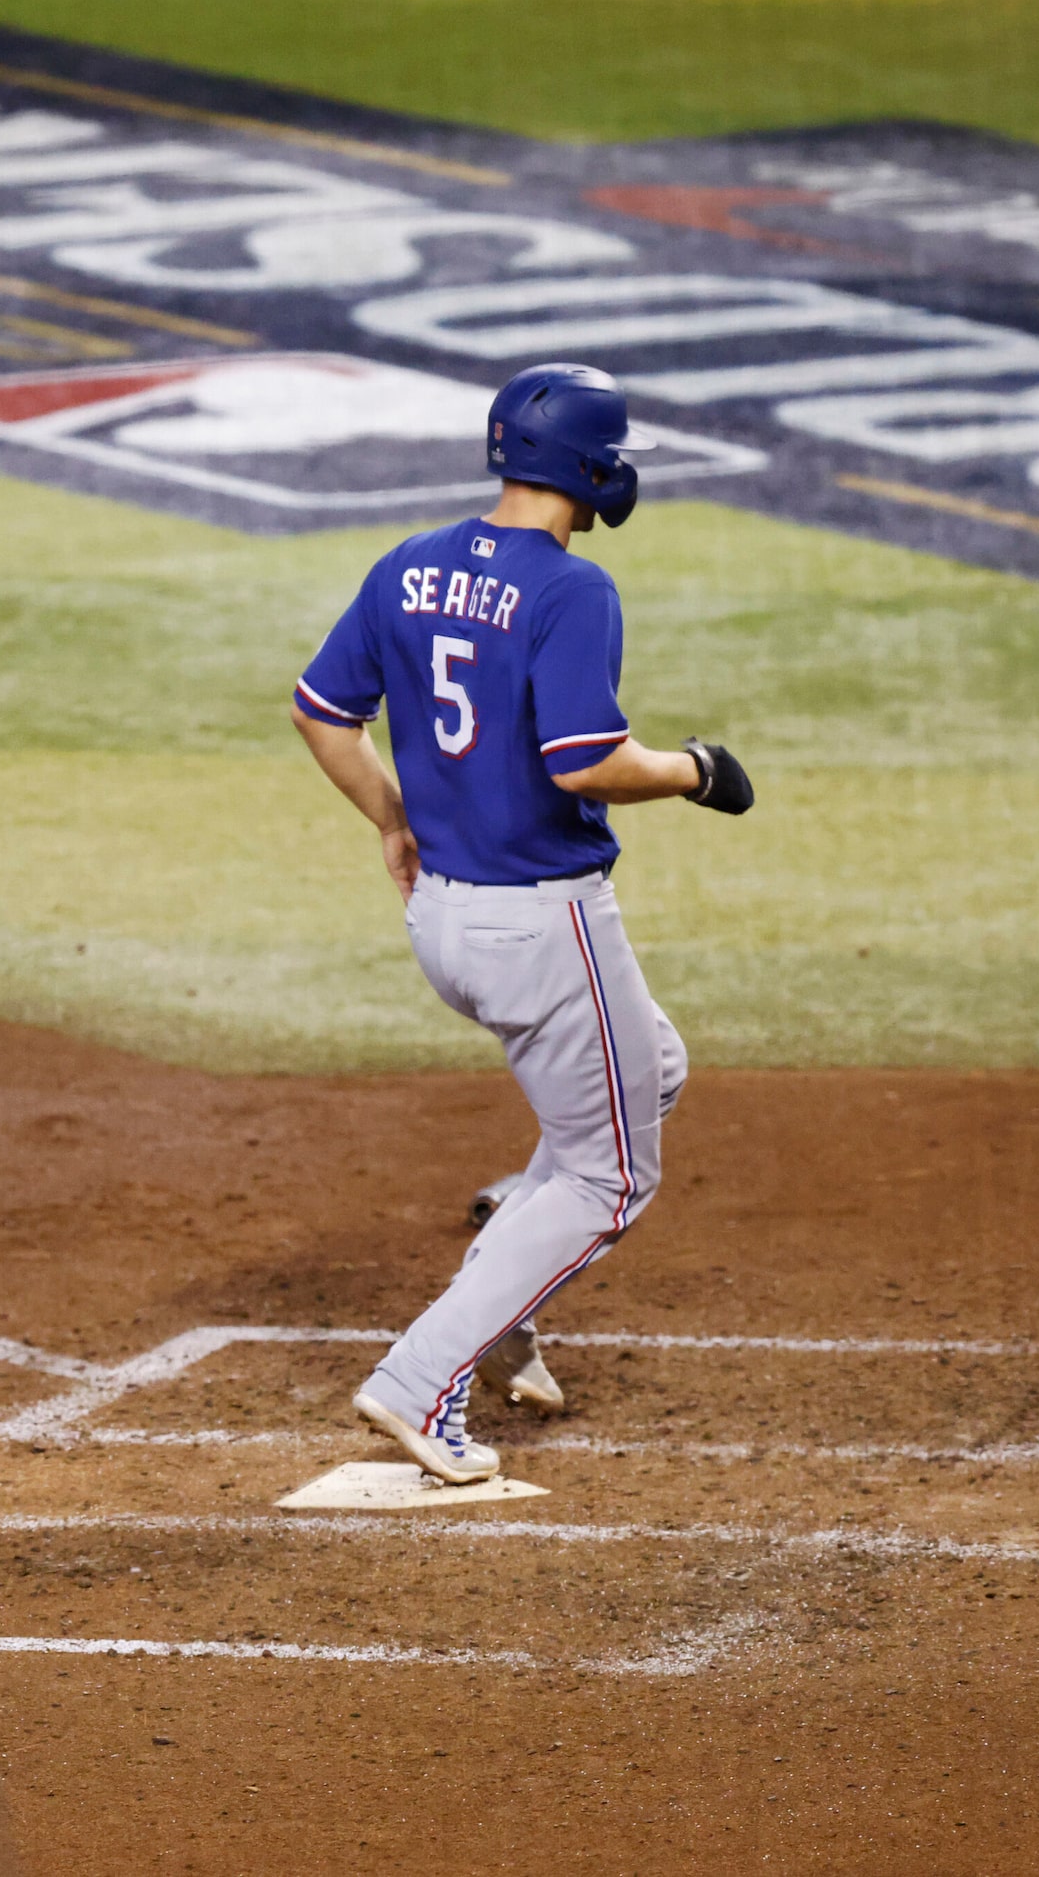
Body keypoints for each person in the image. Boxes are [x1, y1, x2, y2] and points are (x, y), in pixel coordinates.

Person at [288, 363, 752, 1483]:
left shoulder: (406, 565)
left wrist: (390, 820)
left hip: (444, 924)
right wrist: (693, 770)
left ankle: (509, 1229)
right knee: (610, 1181)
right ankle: (421, 1383)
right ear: (592, 469)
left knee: (656, 1067)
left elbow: (319, 712)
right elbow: (584, 759)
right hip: (544, 930)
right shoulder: (569, 589)